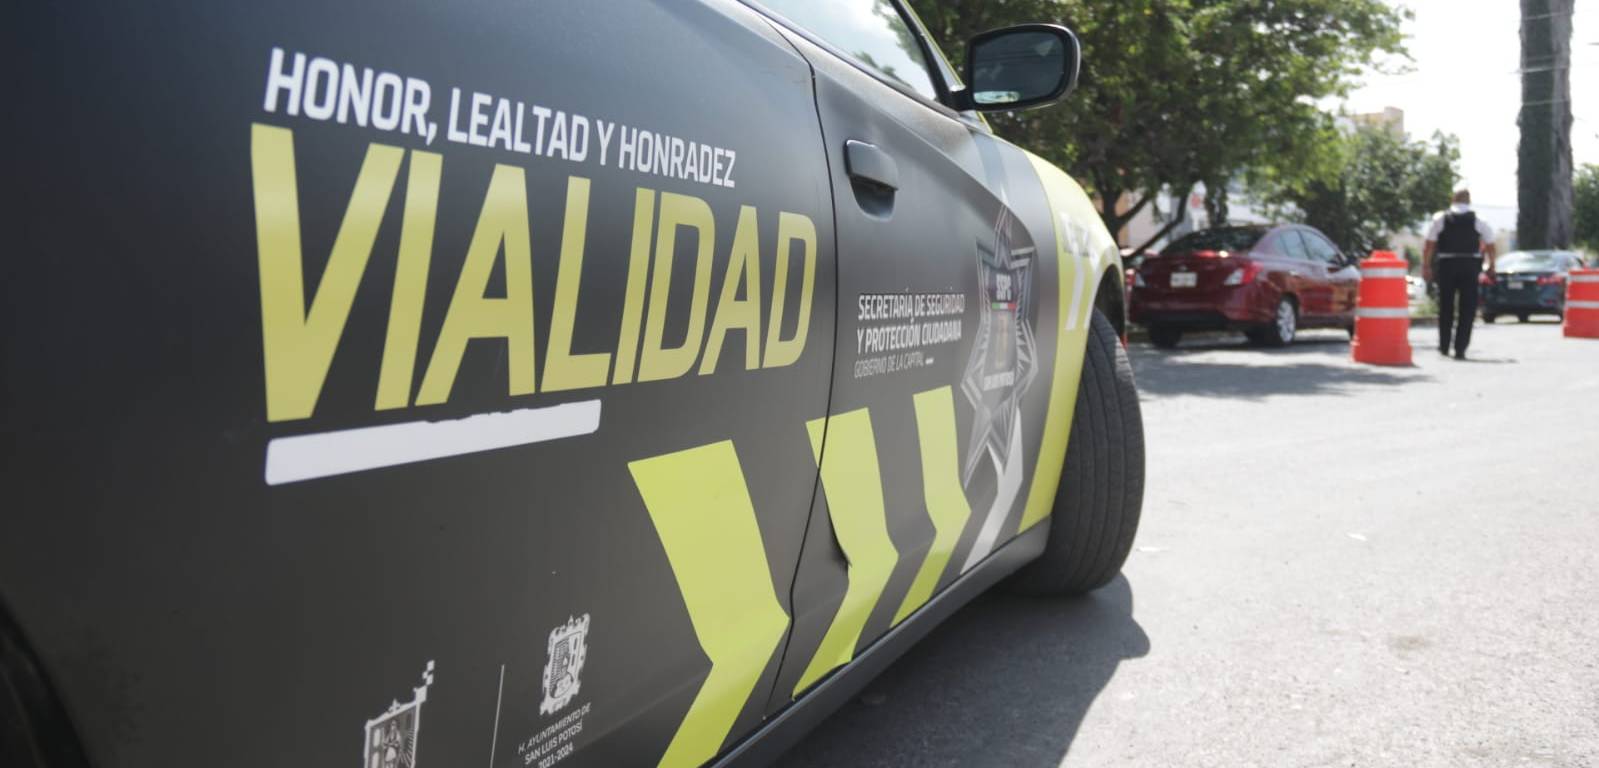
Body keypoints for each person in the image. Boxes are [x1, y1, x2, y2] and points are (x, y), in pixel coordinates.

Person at [1423, 181, 1496, 359]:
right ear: (1469, 201)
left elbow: (1429, 245)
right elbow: (1490, 244)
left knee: (1445, 306)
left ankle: (1444, 345)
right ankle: (1460, 348)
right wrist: (1491, 264)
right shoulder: (1479, 219)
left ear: (1453, 199)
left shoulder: (1440, 218)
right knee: (1467, 308)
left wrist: (1426, 265)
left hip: (1447, 264)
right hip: (1470, 265)